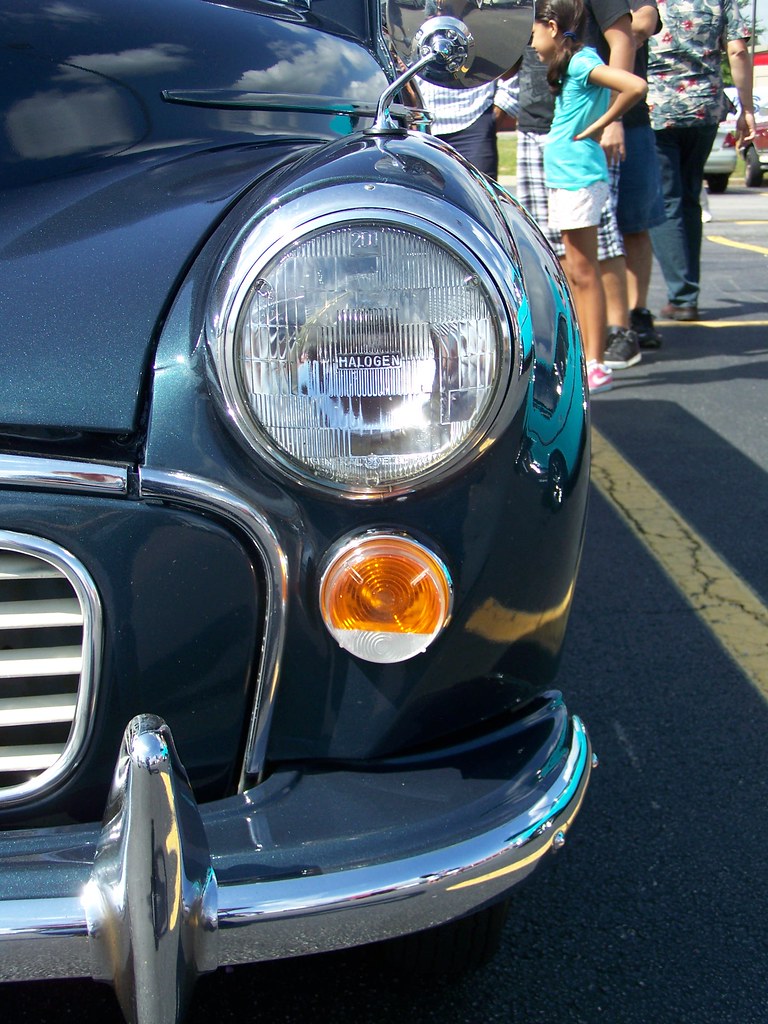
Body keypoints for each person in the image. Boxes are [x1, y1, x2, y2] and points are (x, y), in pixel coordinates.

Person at [516, 0, 645, 372]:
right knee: (573, 270)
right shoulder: (569, 64)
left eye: (534, 34)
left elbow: (635, 86)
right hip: (566, 175)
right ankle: (584, 355)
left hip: (579, 177)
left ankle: (595, 360)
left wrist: (602, 123)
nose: (532, 44)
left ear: (552, 28)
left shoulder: (581, 61)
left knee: (585, 271)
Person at [647, 0, 756, 320]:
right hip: (704, 107)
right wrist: (747, 108)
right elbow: (737, 50)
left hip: (658, 107)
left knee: (667, 200)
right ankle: (687, 291)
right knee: (690, 194)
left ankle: (682, 295)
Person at [614, 0, 666, 351]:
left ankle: (638, 311)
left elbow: (645, 21)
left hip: (630, 121)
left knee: (634, 223)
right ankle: (599, 318)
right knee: (578, 233)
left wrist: (610, 35)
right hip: (575, 119)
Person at [416, 78, 519, 179]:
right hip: (423, 123)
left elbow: (511, 73)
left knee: (479, 189)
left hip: (476, 117)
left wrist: (494, 117)